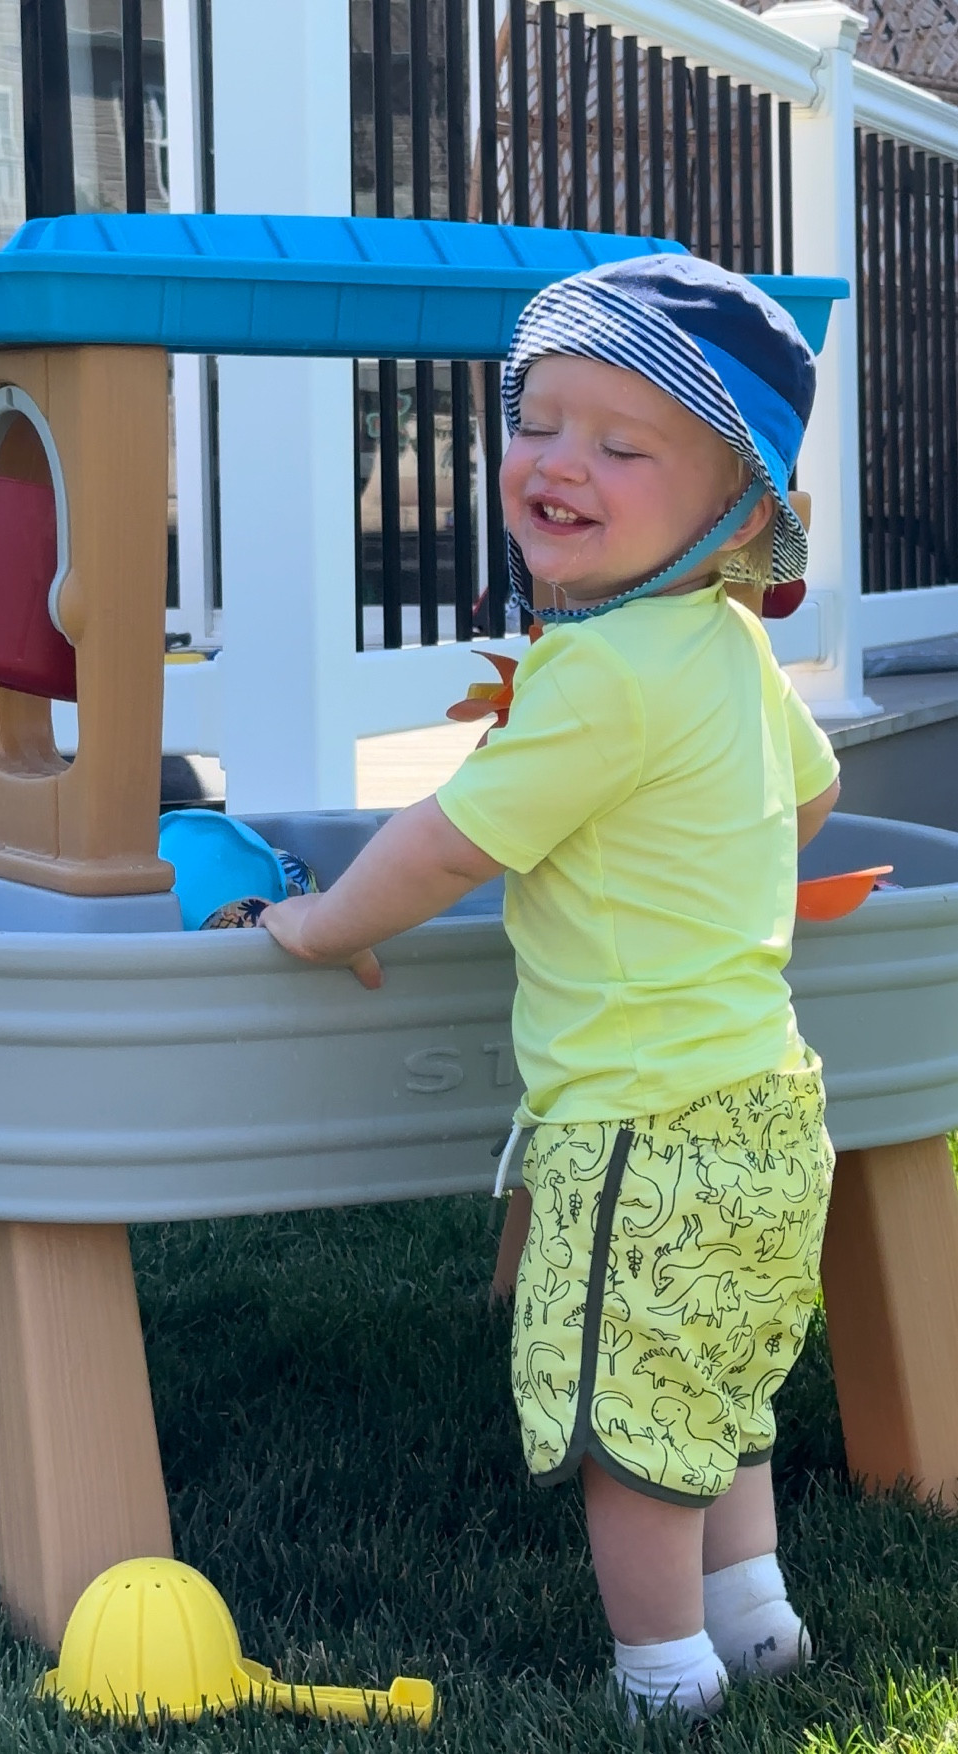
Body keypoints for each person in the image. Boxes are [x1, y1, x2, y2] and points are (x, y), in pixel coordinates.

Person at [261, 254, 840, 1719]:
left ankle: (662, 1676)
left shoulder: (599, 673)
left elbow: (445, 841)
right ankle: (756, 1619)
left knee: (625, 1422)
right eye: (537, 423)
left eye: (622, 445)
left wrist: (321, 922)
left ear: (735, 512)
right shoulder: (727, 650)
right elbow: (811, 800)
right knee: (713, 1376)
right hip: (769, 1109)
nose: (558, 462)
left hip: (638, 1121)